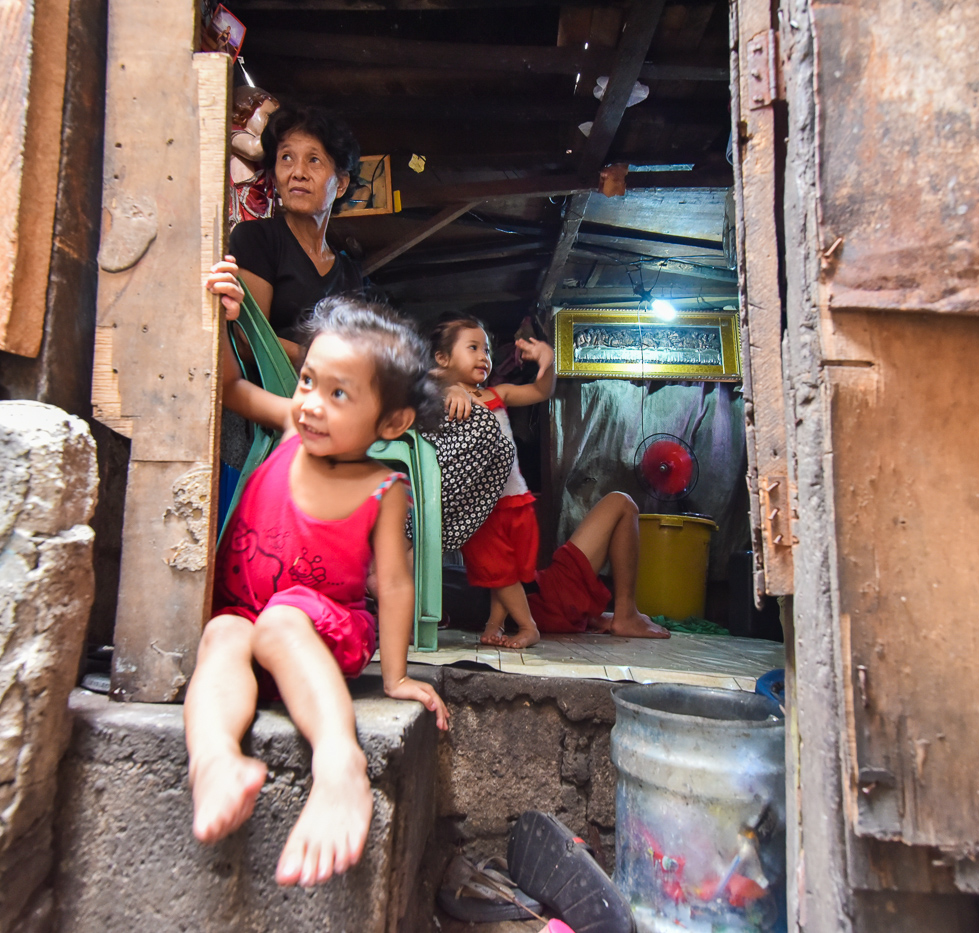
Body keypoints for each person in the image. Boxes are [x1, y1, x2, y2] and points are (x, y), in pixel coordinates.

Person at [185, 283, 450, 888]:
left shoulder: (384, 489)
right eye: (307, 381)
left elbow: (395, 582)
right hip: (250, 621)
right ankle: (215, 762)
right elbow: (228, 388)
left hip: (317, 630)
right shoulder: (291, 427)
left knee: (279, 620)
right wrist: (227, 321)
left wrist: (397, 676)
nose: (309, 404)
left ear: (391, 421)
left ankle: (340, 765)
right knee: (223, 631)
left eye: (338, 394)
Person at [430, 317, 669, 648]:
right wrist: (446, 386)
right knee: (620, 503)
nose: (484, 356)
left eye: (486, 349)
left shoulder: (495, 394)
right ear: (442, 358)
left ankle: (618, 613)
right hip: (547, 598)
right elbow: (407, 386)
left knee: (618, 503)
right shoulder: (440, 403)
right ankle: (622, 613)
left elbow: (542, 390)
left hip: (538, 572)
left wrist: (549, 361)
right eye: (473, 348)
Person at [226, 105, 364, 367]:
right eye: (286, 158)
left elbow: (356, 348)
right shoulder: (257, 239)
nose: (297, 172)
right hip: (266, 403)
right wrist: (323, 362)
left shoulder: (349, 272)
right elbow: (249, 340)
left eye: (314, 160)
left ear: (341, 184)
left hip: (328, 405)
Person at [227, 86, 280, 228]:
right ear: (247, 111)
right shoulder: (234, 135)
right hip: (240, 219)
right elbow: (254, 149)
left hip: (260, 217)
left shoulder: (269, 150)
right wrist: (277, 130)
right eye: (268, 116)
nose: (271, 123)